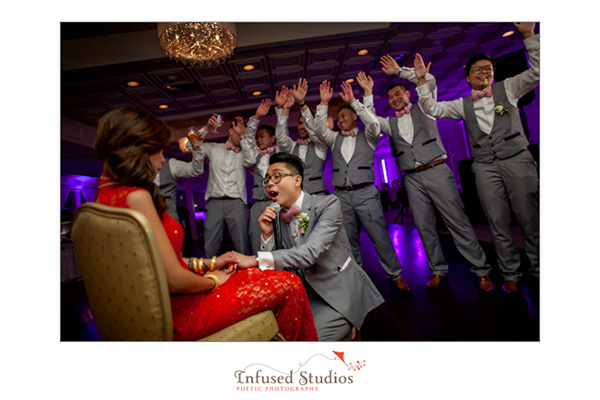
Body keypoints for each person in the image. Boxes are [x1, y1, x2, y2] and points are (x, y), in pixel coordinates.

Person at [93, 106, 317, 341]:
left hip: (170, 293)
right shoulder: (138, 197)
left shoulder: (104, 195)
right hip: (180, 309)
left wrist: (213, 263)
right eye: (157, 150)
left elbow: (165, 264)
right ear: (137, 150)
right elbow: (174, 278)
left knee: (245, 262)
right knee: (289, 282)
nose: (163, 158)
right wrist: (211, 280)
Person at [415, 22, 539, 293]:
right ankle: (510, 274)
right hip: (484, 166)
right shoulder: (462, 104)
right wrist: (423, 81)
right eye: (477, 69)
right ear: (468, 77)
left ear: (493, 74)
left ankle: (540, 269)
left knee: (530, 219)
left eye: (488, 69)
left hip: (517, 158)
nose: (483, 72)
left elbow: (538, 72)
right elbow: (431, 107)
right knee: (497, 220)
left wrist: (528, 35)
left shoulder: (509, 88)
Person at [356, 64, 494, 291]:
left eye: (398, 94)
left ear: (408, 94)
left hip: (437, 169)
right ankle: (438, 270)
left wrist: (403, 72)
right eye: (390, 97)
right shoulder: (389, 123)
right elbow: (371, 121)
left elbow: (429, 81)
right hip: (412, 178)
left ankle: (481, 270)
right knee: (424, 227)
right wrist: (368, 93)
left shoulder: (426, 108)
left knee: (457, 222)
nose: (394, 99)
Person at [229, 153, 384, 341]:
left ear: (297, 180)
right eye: (267, 179)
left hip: (337, 293)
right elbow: (278, 264)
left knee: (308, 341)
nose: (269, 183)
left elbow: (309, 253)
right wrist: (267, 235)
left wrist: (253, 259)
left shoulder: (329, 204)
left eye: (277, 176)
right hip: (304, 294)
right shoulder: (277, 217)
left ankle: (350, 327)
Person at [311, 80, 411, 291]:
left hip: (366, 193)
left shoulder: (369, 136)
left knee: (380, 236)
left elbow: (373, 122)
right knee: (348, 240)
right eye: (337, 118)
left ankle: (395, 275)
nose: (340, 120)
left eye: (343, 116)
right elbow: (319, 129)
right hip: (341, 196)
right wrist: (323, 103)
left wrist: (357, 101)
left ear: (355, 116)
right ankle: (355, 278)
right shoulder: (333, 138)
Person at [195, 114, 253, 258]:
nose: (241, 133)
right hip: (214, 202)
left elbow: (251, 161)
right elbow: (192, 144)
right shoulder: (214, 148)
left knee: (242, 243)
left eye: (243, 131)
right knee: (210, 244)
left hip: (237, 202)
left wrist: (242, 137)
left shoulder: (244, 152)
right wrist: (207, 128)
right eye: (239, 130)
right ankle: (210, 276)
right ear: (230, 131)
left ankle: (246, 276)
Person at [274, 79, 329, 195]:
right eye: (299, 123)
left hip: (317, 194)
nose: (302, 127)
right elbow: (281, 138)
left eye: (304, 123)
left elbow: (313, 130)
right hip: (296, 195)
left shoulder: (320, 145)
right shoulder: (293, 146)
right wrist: (286, 109)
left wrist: (302, 103)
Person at [239, 99, 280, 254]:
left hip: (278, 202)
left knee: (280, 238)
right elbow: (248, 139)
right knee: (256, 238)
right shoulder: (254, 156)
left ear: (272, 138)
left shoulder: (280, 152)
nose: (259, 140)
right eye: (258, 137)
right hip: (258, 203)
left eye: (262, 136)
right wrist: (256, 116)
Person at [153, 131, 204, 222]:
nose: (162, 159)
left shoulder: (171, 164)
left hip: (168, 220)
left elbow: (196, 170)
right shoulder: (135, 168)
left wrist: (196, 149)